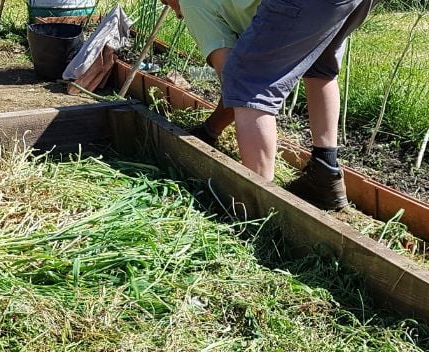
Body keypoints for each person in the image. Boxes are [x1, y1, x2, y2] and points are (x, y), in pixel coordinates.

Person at [160, 0, 374, 210]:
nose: (176, 15)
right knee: (319, 68)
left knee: (248, 82)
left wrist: (209, 129)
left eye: (166, 3)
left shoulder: (190, 4)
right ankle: (325, 174)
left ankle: (261, 206)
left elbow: (234, 84)